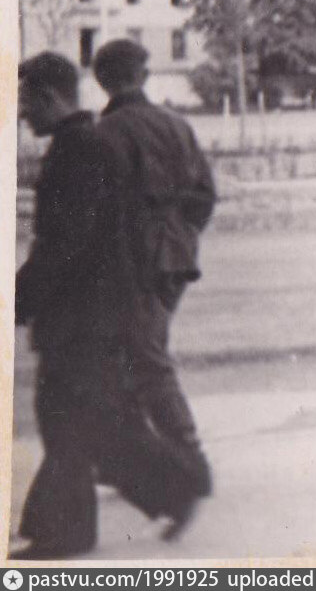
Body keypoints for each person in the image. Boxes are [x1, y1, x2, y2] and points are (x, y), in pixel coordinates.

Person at [13, 53, 201, 558]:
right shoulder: (81, 144)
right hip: (92, 312)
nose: (21, 114)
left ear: (50, 97)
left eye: (26, 101)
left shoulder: (78, 151)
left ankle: (166, 491)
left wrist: (18, 299)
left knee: (73, 419)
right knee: (79, 420)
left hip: (84, 315)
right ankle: (157, 494)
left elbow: (64, 245)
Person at [92, 38, 217, 501]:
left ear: (101, 80)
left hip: (131, 260)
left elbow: (98, 210)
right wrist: (180, 234)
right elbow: (204, 196)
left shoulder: (104, 133)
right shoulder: (176, 125)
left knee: (143, 357)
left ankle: (189, 459)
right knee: (136, 351)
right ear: (143, 75)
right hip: (175, 256)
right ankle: (131, 459)